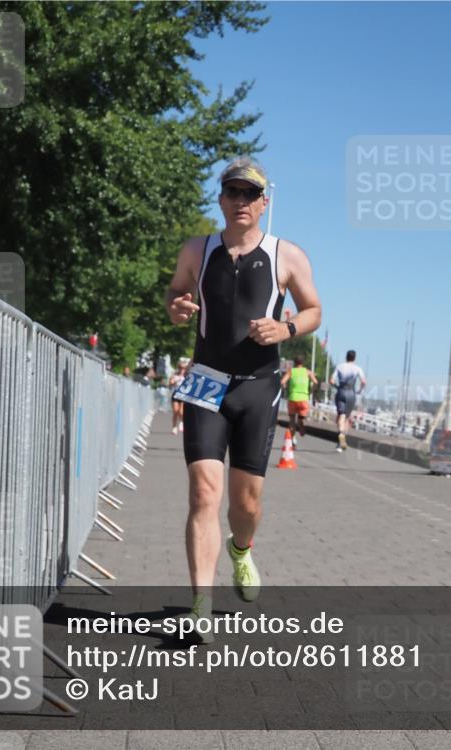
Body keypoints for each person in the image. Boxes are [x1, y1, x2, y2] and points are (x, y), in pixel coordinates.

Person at [165, 156, 321, 639]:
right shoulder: (198, 249)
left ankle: (241, 549)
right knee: (202, 494)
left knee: (245, 504)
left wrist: (287, 327)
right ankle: (201, 605)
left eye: (250, 194)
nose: (240, 201)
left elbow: (314, 310)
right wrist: (177, 307)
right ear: (221, 199)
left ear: (263, 203)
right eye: (232, 192)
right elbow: (174, 295)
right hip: (206, 380)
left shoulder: (286, 255)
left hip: (259, 385)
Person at [330, 350, 366, 452]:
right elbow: (363, 381)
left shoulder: (340, 367)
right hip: (351, 393)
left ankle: (340, 435)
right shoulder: (357, 368)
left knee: (341, 415)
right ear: (354, 358)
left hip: (341, 391)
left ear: (346, 357)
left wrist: (337, 386)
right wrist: (359, 390)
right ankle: (342, 440)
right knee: (346, 417)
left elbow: (331, 380)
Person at [281, 356, 318, 446]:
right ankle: (301, 424)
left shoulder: (291, 371)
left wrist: (285, 389)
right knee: (301, 418)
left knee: (292, 420)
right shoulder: (307, 372)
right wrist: (311, 390)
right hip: (303, 398)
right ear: (303, 362)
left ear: (295, 362)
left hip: (293, 397)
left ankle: (292, 439)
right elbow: (315, 382)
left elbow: (282, 382)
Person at [169, 358, 190, 435]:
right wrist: (174, 381)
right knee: (175, 411)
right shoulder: (175, 375)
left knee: (181, 412)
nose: (182, 370)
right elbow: (170, 384)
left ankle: (181, 422)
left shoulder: (187, 376)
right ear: (178, 368)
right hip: (175, 394)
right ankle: (174, 427)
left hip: (183, 395)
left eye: (184, 368)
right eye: (181, 368)